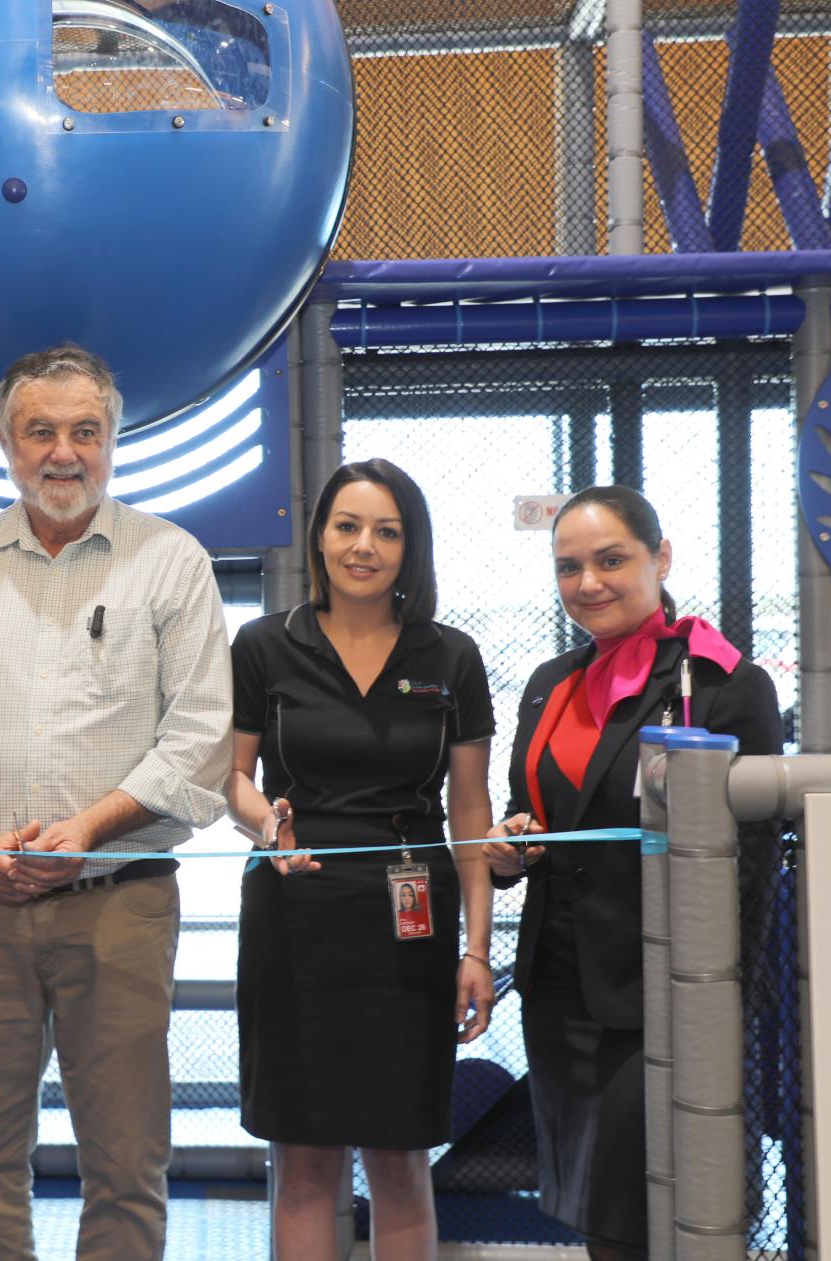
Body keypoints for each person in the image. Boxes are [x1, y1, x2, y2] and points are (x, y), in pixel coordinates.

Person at [0, 344, 231, 1261]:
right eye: (40, 432)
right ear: (5, 443)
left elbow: (200, 740)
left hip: (122, 900)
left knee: (128, 1165)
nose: (63, 453)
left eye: (85, 432)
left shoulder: (171, 561)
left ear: (113, 440)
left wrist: (88, 829)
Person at [478, 485, 782, 1261]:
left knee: (660, 1212)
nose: (589, 583)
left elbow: (750, 869)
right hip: (558, 989)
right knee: (599, 1212)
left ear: (662, 558)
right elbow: (533, 807)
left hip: (661, 992)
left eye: (611, 560)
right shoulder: (551, 681)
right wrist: (513, 842)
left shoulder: (723, 685)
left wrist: (711, 990)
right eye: (569, 566)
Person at [226, 459, 496, 1261]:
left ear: (411, 546)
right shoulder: (263, 644)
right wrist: (266, 830)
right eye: (347, 525)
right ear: (319, 537)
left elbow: (472, 811)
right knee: (302, 1160)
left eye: (387, 530)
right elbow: (232, 778)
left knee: (400, 1156)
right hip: (293, 914)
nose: (364, 546)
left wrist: (478, 947)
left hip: (409, 923)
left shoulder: (452, 655)